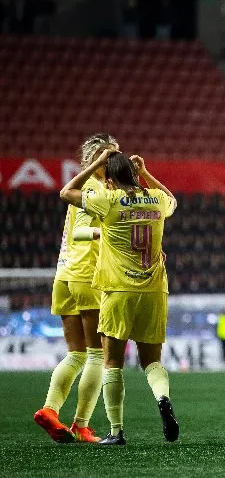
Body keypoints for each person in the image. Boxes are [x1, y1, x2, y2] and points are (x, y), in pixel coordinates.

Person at [59, 150, 179, 445]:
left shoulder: (109, 200)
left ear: (109, 179)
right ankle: (162, 398)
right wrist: (146, 173)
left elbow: (66, 192)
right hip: (153, 290)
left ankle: (116, 431)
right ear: (134, 175)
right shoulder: (155, 199)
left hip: (119, 290)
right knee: (152, 361)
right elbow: (172, 199)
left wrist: (95, 165)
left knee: (112, 362)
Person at [34, 133, 118, 444]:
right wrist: (110, 231)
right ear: (100, 159)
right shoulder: (94, 186)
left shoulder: (85, 185)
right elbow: (82, 232)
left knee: (77, 354)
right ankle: (81, 425)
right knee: (98, 354)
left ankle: (49, 410)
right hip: (85, 275)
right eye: (112, 156)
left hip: (64, 275)